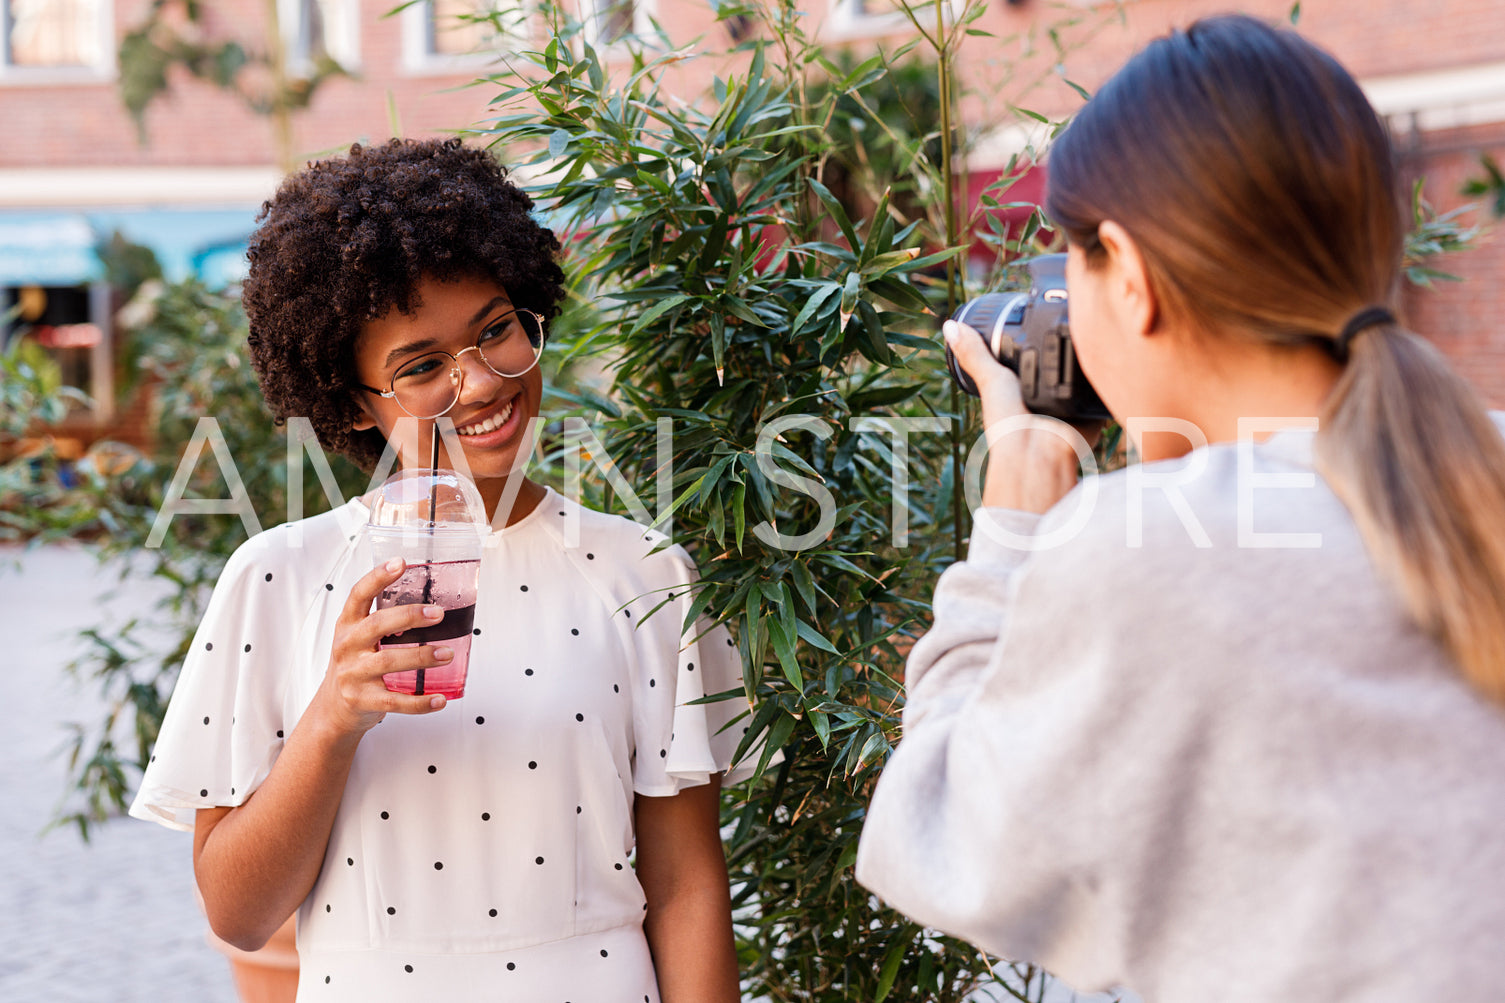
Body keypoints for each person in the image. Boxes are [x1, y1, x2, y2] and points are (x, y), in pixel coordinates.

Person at [856, 15, 1505, 1002]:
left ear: (1128, 271)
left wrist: (1011, 530)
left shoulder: (1150, 544)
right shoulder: (1472, 461)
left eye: (1068, 261)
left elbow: (939, 843)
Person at [130, 137, 758, 1002]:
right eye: (421, 366)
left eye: (494, 330)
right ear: (353, 400)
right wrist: (330, 721)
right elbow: (237, 915)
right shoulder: (275, 578)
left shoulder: (643, 573)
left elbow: (686, 886)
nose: (481, 382)